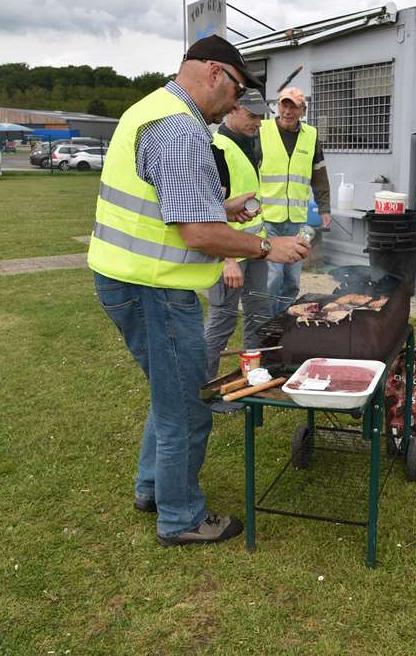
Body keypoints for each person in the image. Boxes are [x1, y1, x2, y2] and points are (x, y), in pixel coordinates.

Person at [87, 36, 310, 547]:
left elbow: (168, 204)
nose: (237, 103)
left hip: (130, 281)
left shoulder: (151, 109)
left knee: (170, 396)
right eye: (236, 89)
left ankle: (152, 490)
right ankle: (181, 517)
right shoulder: (180, 128)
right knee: (187, 405)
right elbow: (196, 233)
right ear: (213, 72)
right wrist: (264, 247)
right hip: (154, 291)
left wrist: (224, 209)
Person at [203, 88, 272, 378]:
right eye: (251, 116)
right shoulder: (217, 147)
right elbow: (210, 210)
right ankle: (203, 389)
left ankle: (253, 377)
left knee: (258, 316)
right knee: (222, 320)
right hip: (229, 253)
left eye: (260, 117)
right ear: (232, 109)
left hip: (254, 247)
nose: (257, 123)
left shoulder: (250, 142)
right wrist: (227, 259)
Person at [258, 86, 331, 313]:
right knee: (273, 276)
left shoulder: (311, 136)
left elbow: (319, 174)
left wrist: (324, 208)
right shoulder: (261, 131)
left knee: (292, 280)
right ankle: (266, 323)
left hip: (298, 221)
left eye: (293, 106)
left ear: (303, 110)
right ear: (278, 106)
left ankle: (283, 319)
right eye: (284, 105)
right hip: (268, 218)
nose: (288, 111)